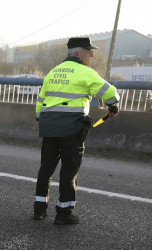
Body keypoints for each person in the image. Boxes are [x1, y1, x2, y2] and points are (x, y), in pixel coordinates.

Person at [34, 37, 120, 225]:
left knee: (46, 169)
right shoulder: (85, 72)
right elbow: (109, 92)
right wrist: (113, 107)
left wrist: (43, 119)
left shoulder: (53, 72)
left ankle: (39, 209)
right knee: (69, 171)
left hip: (49, 127)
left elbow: (40, 102)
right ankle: (63, 213)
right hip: (71, 128)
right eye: (89, 51)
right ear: (77, 53)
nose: (92, 54)